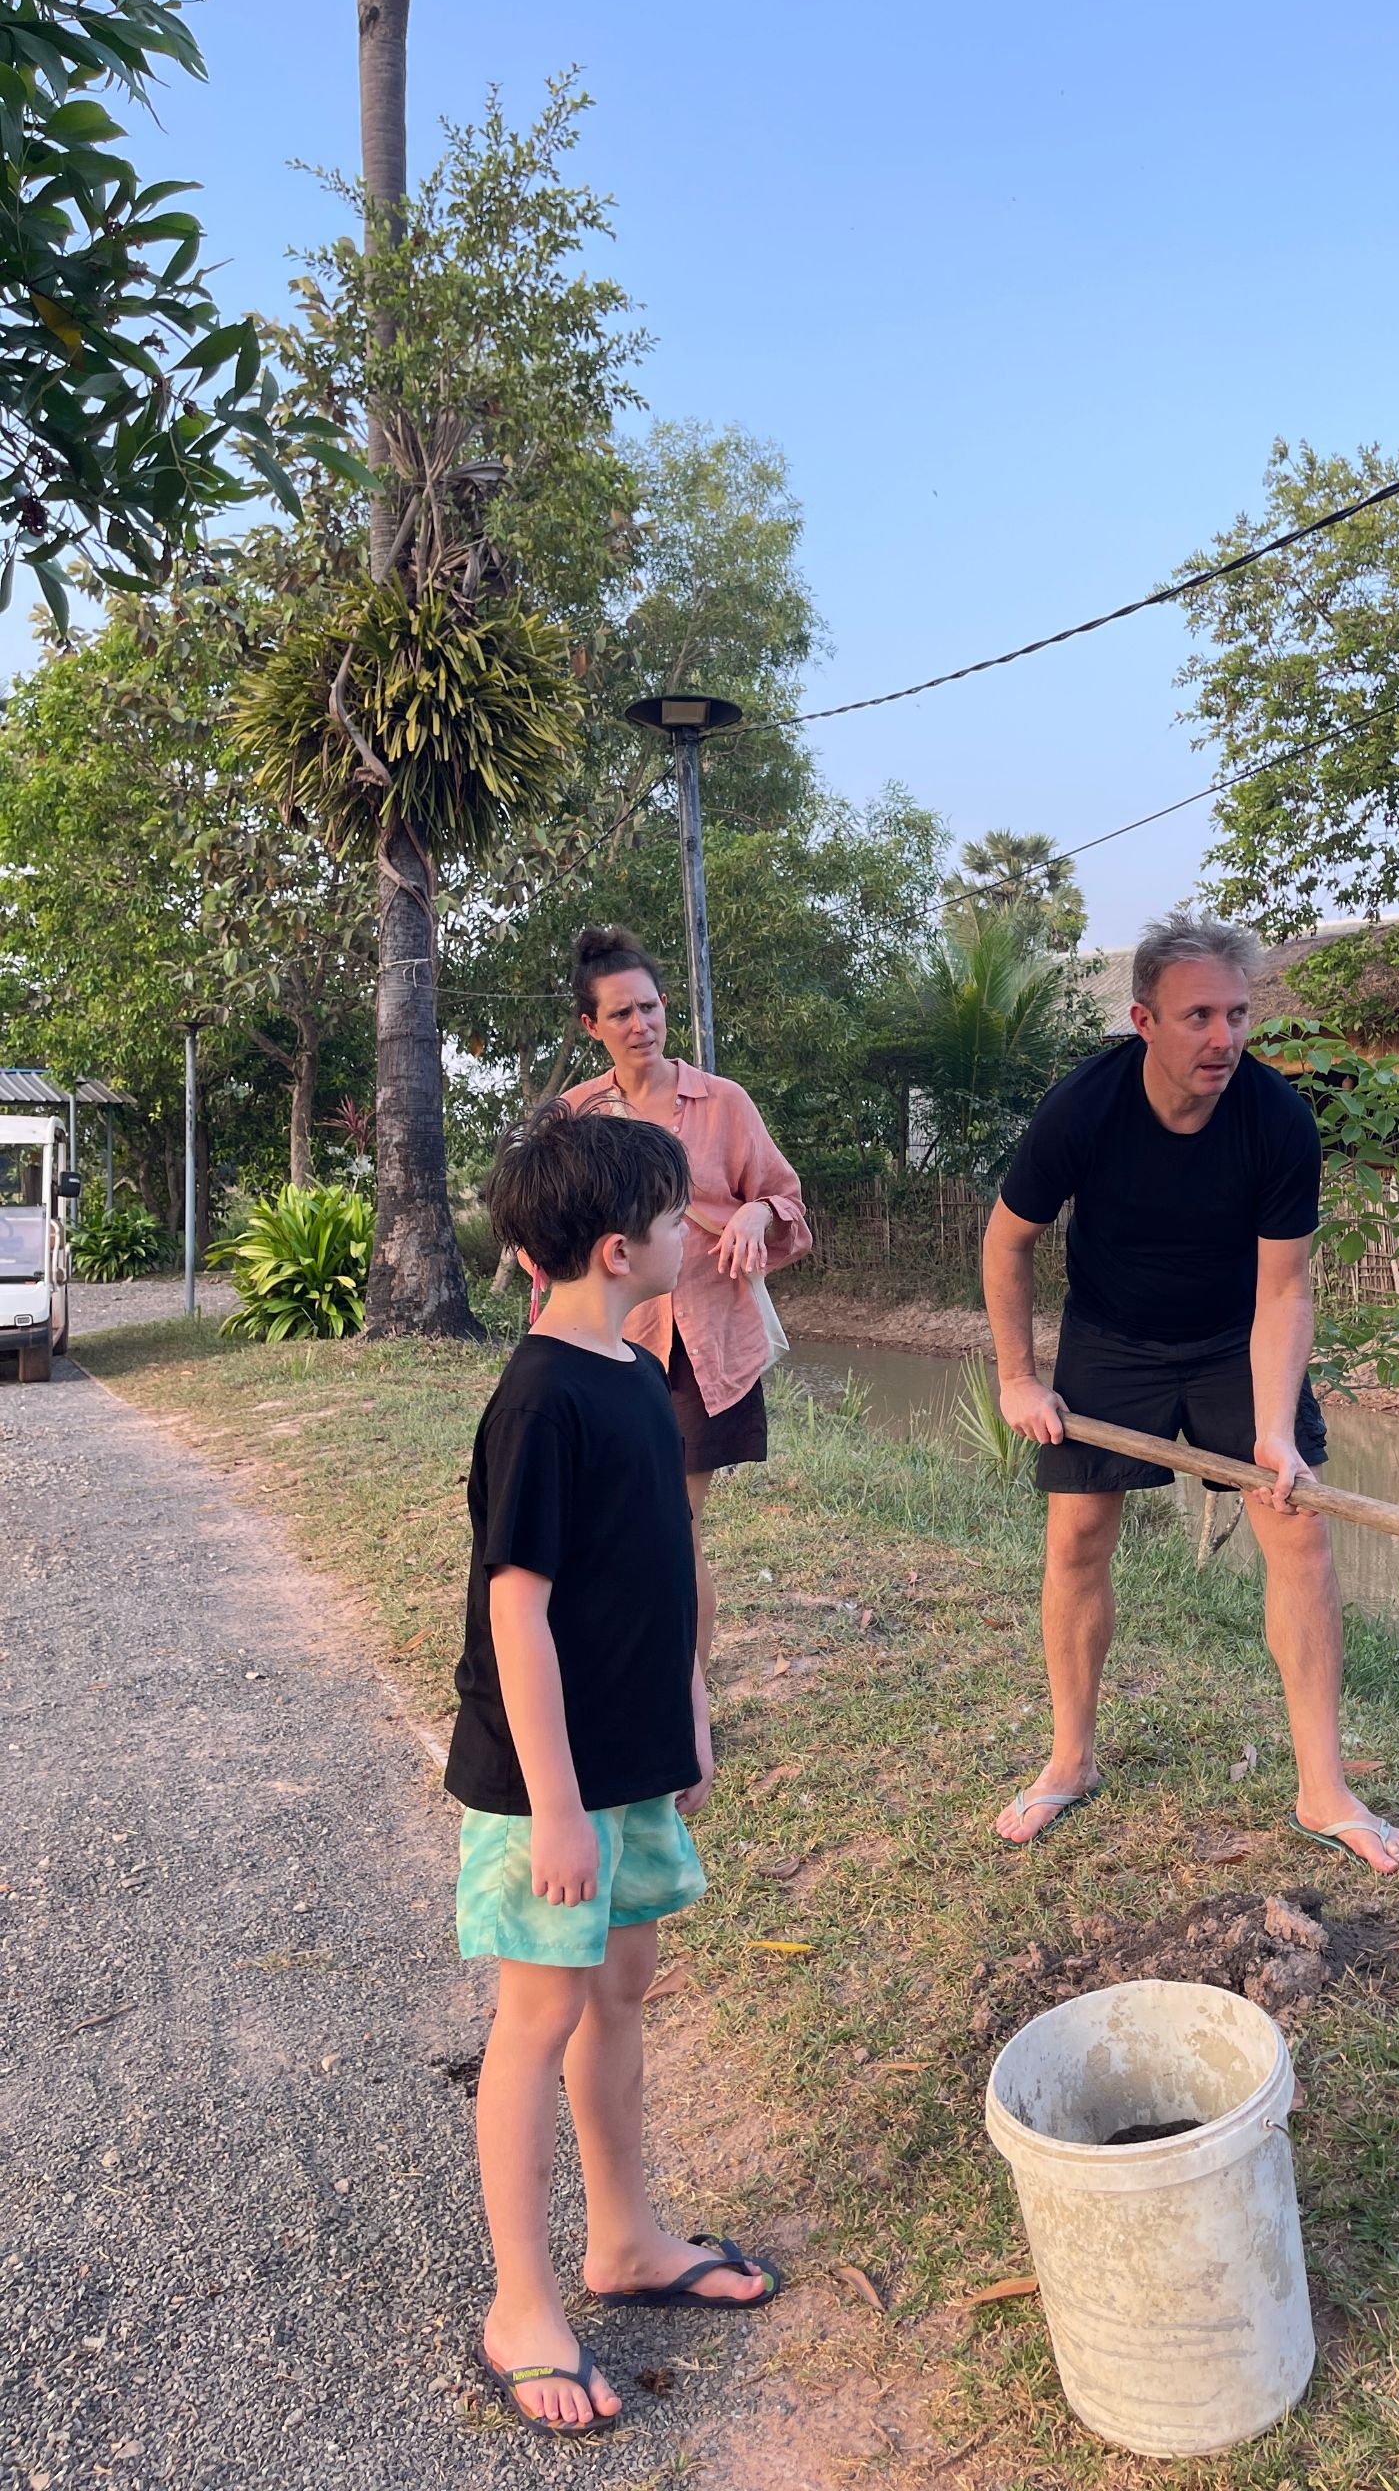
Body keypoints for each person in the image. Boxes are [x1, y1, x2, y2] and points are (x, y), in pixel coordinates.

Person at [450, 1104, 779, 2442]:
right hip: (551, 1786)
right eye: (670, 1218)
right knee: (538, 2018)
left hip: (633, 1763)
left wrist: (690, 1703)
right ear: (612, 1246)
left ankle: (626, 2238)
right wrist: (562, 1804)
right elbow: (515, 1609)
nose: (688, 1233)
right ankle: (519, 2302)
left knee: (623, 1992)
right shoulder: (539, 1400)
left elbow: (657, 1567)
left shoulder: (639, 1376)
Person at [983, 911, 1399, 1876]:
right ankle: (1071, 1759)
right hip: (1111, 1338)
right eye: (1197, 1017)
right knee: (1077, 1537)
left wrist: (1270, 1428)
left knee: (1295, 1528)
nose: (1223, 1038)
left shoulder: (1276, 1120)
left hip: (1234, 1342)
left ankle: (1321, 1785)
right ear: (1144, 1020)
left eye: (1237, 1014)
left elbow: (1285, 1288)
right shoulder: (1083, 1108)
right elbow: (1007, 1241)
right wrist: (1018, 1376)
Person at [562, 924, 812, 1669]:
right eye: (620, 1014)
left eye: (649, 1008)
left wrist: (755, 1212)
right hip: (607, 1347)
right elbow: (544, 1232)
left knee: (675, 1523)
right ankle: (621, 1678)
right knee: (613, 1523)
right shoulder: (578, 1117)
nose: (640, 1025)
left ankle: (684, 1696)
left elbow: (790, 1204)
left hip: (703, 1351)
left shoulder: (723, 1103)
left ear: (665, 1007)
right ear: (591, 1026)